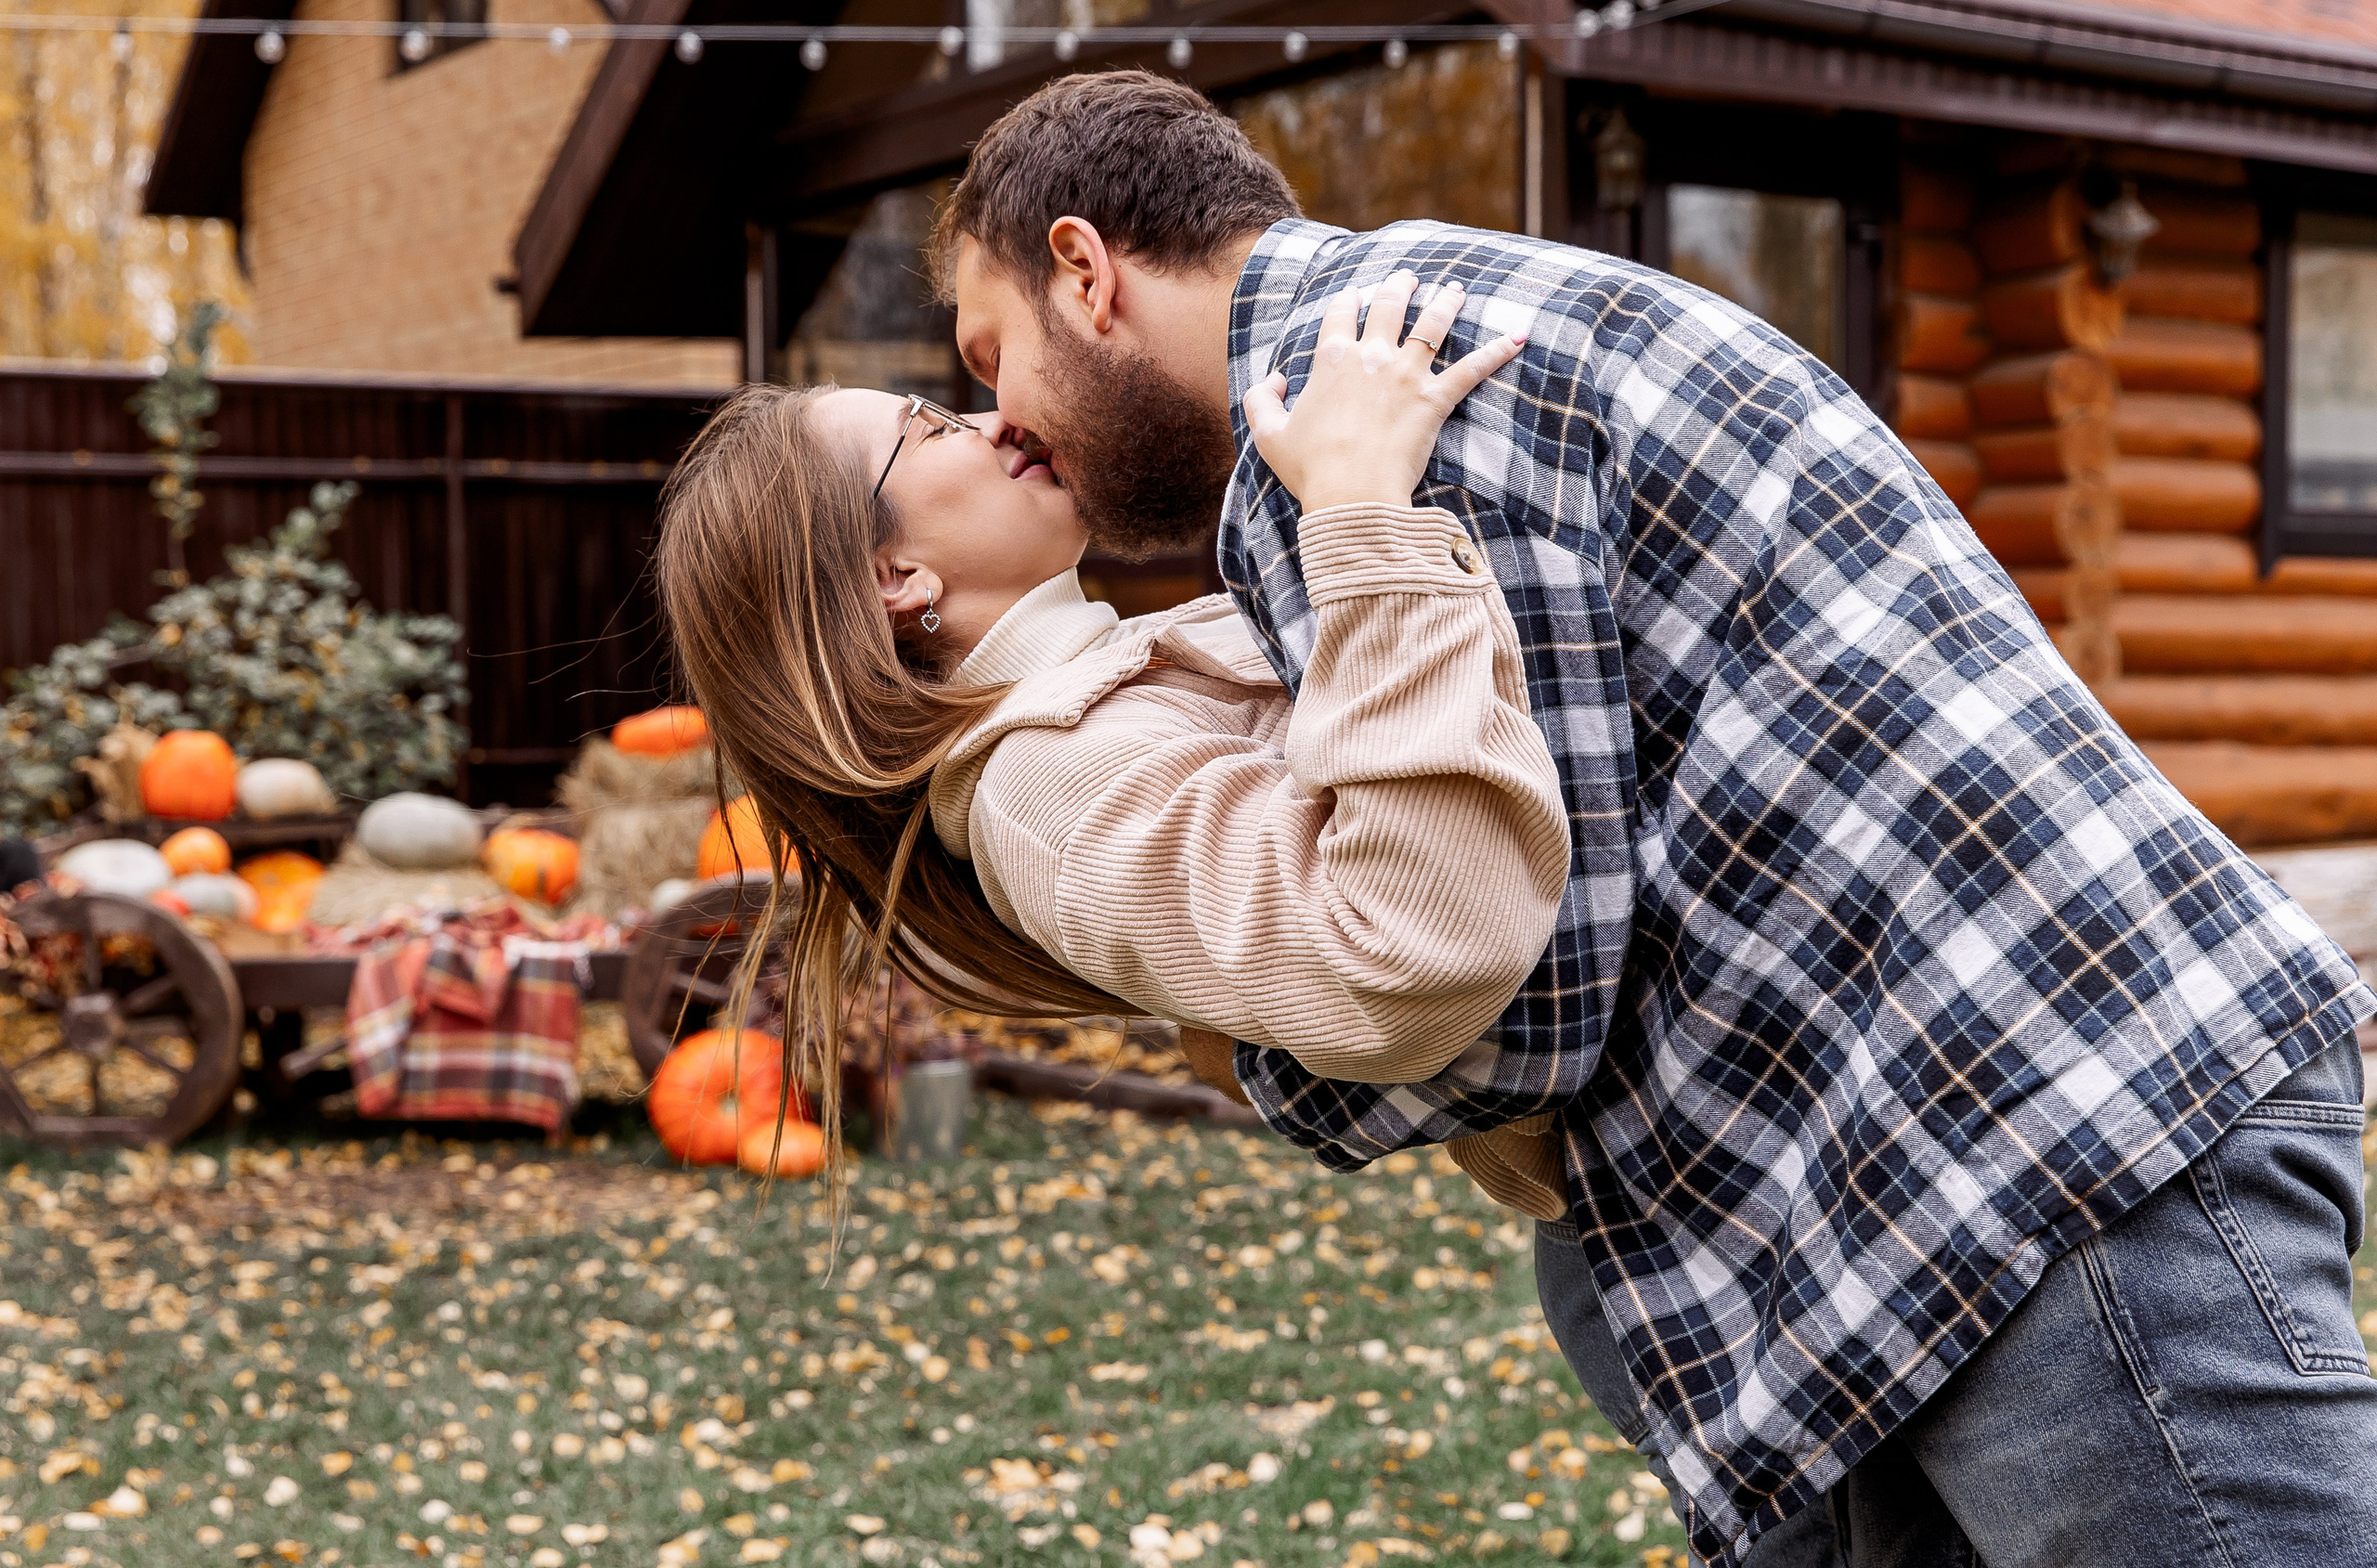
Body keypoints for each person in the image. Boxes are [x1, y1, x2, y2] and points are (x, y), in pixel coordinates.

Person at [930, 69, 2377, 1568]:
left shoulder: (1352, 417)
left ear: (1087, 274)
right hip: (1971, 1161)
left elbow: (1523, 992)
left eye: (991, 355)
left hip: (2050, 1148)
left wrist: (1254, 1056)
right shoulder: (1412, 334)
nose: (1004, 423)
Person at [654, 276, 1573, 1215]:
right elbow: (1398, 959)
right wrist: (1360, 511)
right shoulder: (1045, 785)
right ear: (895, 576)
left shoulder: (1112, 688)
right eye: (933, 425)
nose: (999, 419)